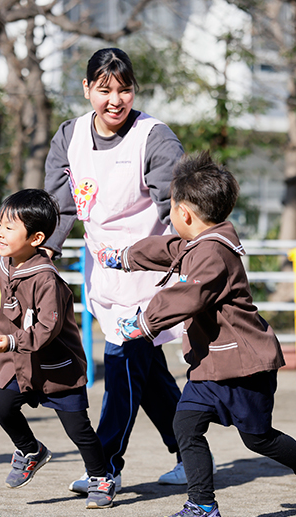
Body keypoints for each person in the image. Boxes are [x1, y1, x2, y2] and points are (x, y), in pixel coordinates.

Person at [96, 152, 296, 517]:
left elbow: (189, 295)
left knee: (258, 438)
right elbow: (165, 250)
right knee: (186, 425)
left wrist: (144, 321)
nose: (169, 219)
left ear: (185, 215)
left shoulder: (212, 253)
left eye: (171, 211)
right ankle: (203, 508)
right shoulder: (198, 244)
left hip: (245, 366)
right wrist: (124, 257)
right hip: (210, 367)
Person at [44, 47, 193, 494]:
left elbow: (178, 210)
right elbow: (58, 208)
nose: (115, 100)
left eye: (124, 90)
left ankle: (105, 464)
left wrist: (193, 267)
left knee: (124, 362)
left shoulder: (156, 138)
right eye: (104, 89)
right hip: (104, 272)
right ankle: (188, 453)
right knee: (147, 372)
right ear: (87, 88)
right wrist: (41, 255)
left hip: (153, 275)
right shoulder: (69, 136)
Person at [0, 189, 116, 509]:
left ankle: (101, 477)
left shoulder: (47, 279)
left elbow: (47, 327)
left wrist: (11, 341)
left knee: (79, 429)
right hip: (22, 361)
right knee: (2, 405)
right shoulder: (4, 264)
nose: (0, 231)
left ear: (36, 238)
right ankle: (30, 450)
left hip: (57, 366)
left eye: (10, 227)